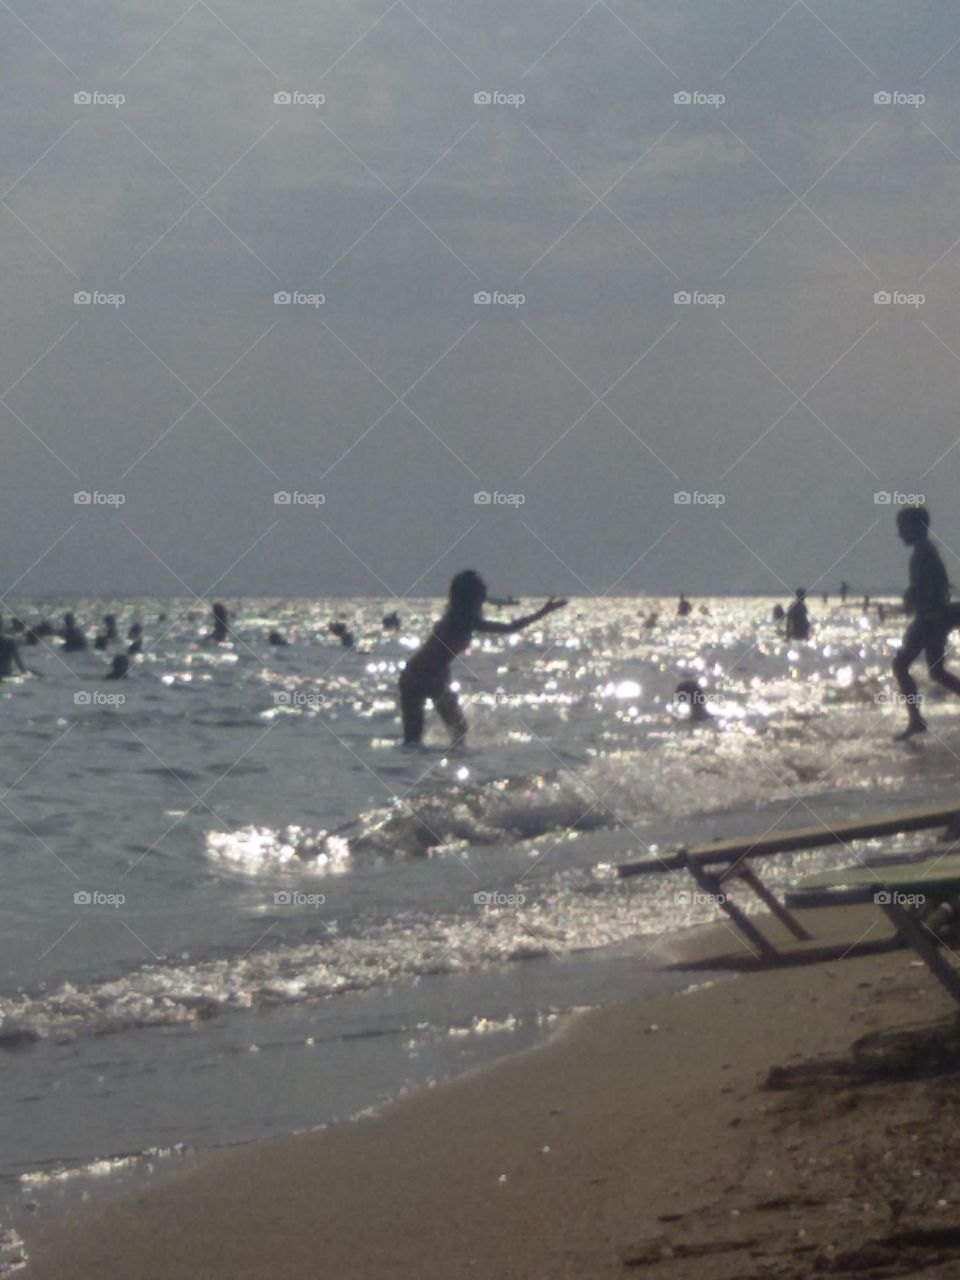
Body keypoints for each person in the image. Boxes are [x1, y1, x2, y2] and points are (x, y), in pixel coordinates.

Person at [398, 570, 566, 747]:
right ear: (471, 596)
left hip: (422, 674)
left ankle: (435, 770)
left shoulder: (457, 615)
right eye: (480, 591)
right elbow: (509, 628)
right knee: (444, 735)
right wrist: (543, 612)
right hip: (421, 676)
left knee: (445, 735)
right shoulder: (463, 619)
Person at [892, 506, 960, 740]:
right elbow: (935, 586)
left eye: (903, 528)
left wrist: (918, 601)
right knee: (937, 672)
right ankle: (916, 720)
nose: (900, 533)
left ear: (918, 528)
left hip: (930, 620)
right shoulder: (925, 552)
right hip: (932, 619)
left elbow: (936, 588)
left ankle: (916, 720)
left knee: (901, 665)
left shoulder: (924, 555)